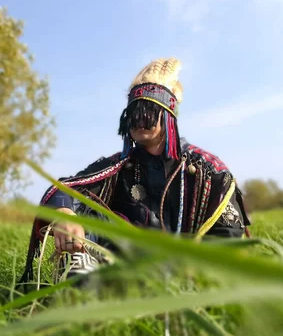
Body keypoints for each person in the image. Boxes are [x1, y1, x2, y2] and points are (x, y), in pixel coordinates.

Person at [18, 57, 252, 286]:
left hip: (185, 275)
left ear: (168, 117)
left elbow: (227, 237)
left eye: (148, 113)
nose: (140, 122)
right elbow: (67, 188)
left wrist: (193, 276)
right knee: (89, 210)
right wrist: (65, 214)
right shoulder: (117, 166)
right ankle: (86, 275)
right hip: (122, 268)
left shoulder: (208, 171)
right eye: (134, 114)